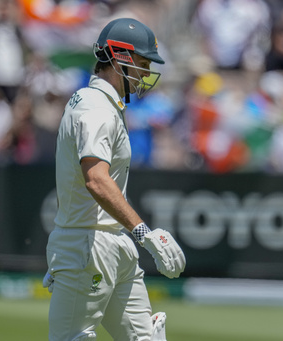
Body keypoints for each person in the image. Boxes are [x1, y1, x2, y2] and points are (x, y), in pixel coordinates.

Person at [42, 18, 186, 341]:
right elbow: (95, 179)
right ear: (121, 58)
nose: (146, 74)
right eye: (143, 64)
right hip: (89, 246)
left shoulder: (102, 104)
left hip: (105, 246)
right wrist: (145, 233)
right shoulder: (95, 109)